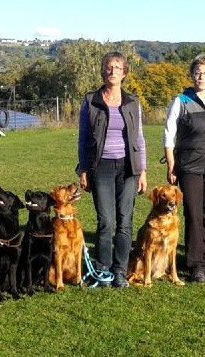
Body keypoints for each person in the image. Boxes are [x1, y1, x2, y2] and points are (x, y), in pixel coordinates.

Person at [78, 51, 147, 288]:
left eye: (118, 68)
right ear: (103, 71)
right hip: (101, 167)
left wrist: (143, 170)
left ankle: (120, 270)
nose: (113, 72)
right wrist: (83, 169)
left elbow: (139, 137)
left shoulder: (132, 102)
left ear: (124, 73)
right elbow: (83, 138)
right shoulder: (91, 100)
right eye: (109, 67)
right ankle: (103, 269)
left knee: (125, 221)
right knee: (105, 221)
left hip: (128, 167)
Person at [163, 54, 205, 283]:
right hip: (189, 165)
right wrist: (171, 163)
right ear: (192, 75)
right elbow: (169, 135)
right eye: (198, 72)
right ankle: (195, 263)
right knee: (193, 213)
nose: (201, 77)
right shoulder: (181, 101)